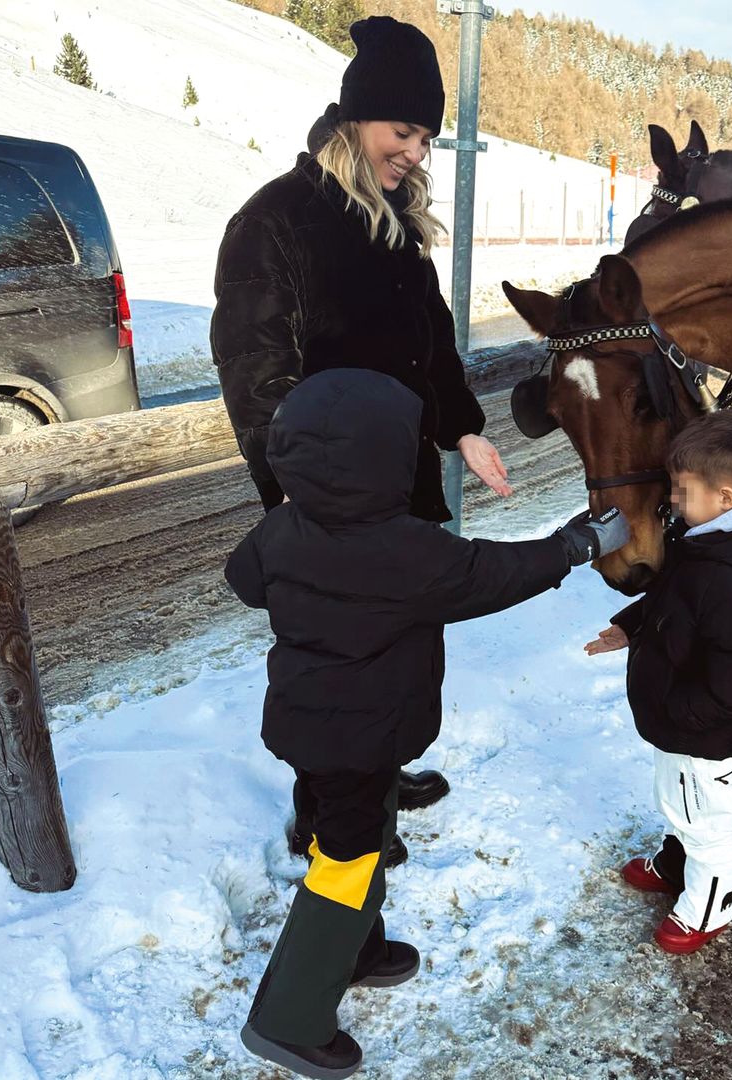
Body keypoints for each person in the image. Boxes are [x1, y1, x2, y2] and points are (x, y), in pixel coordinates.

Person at [226, 367, 629, 1078]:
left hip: (315, 725)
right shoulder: (407, 549)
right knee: (345, 866)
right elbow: (491, 575)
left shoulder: (280, 530)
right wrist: (573, 545)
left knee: (363, 833)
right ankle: (286, 1021)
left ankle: (358, 949)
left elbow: (244, 582)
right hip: (359, 733)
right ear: (383, 462)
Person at [211, 16, 508, 856]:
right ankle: (327, 815)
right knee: (338, 658)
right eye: (403, 130)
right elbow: (255, 373)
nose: (415, 151)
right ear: (355, 118)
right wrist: (304, 499)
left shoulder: (392, 224)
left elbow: (431, 339)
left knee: (403, 640)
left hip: (402, 488)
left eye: (426, 137)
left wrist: (462, 432)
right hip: (327, 503)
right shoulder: (278, 221)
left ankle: (375, 768)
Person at [585, 409, 732, 955]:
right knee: (681, 805)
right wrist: (630, 625)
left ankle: (709, 908)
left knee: (710, 825)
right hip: (683, 725)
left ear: (728, 497)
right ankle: (675, 859)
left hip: (712, 736)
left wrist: (681, 709)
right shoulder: (707, 539)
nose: (675, 505)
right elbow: (675, 600)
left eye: (682, 493)